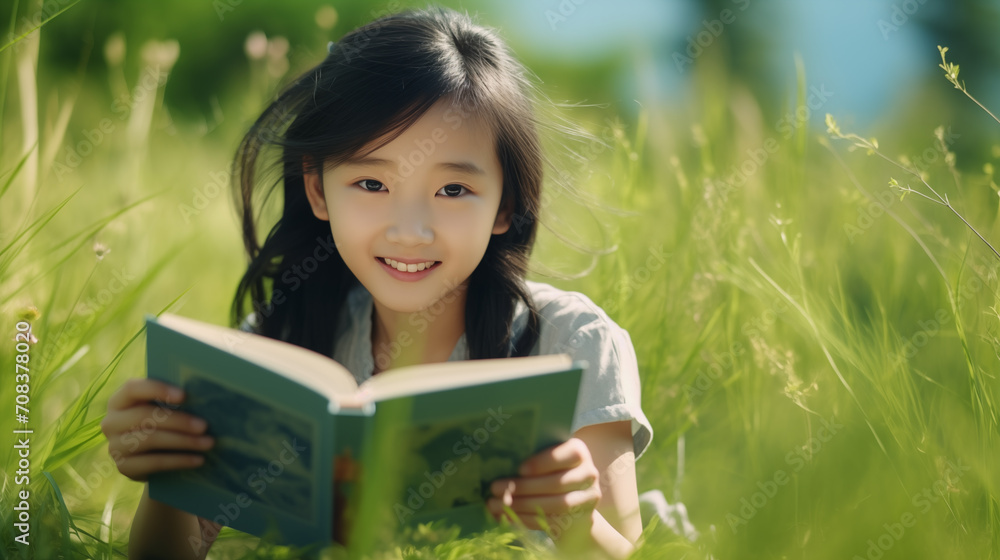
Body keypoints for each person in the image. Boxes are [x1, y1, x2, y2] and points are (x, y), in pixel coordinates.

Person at [101, 5, 653, 559]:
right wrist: (167, 480)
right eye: (371, 182)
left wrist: (575, 519)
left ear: (505, 205)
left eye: (453, 191)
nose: (410, 232)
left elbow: (629, 552)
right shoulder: (280, 345)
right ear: (317, 190)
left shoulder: (572, 343)